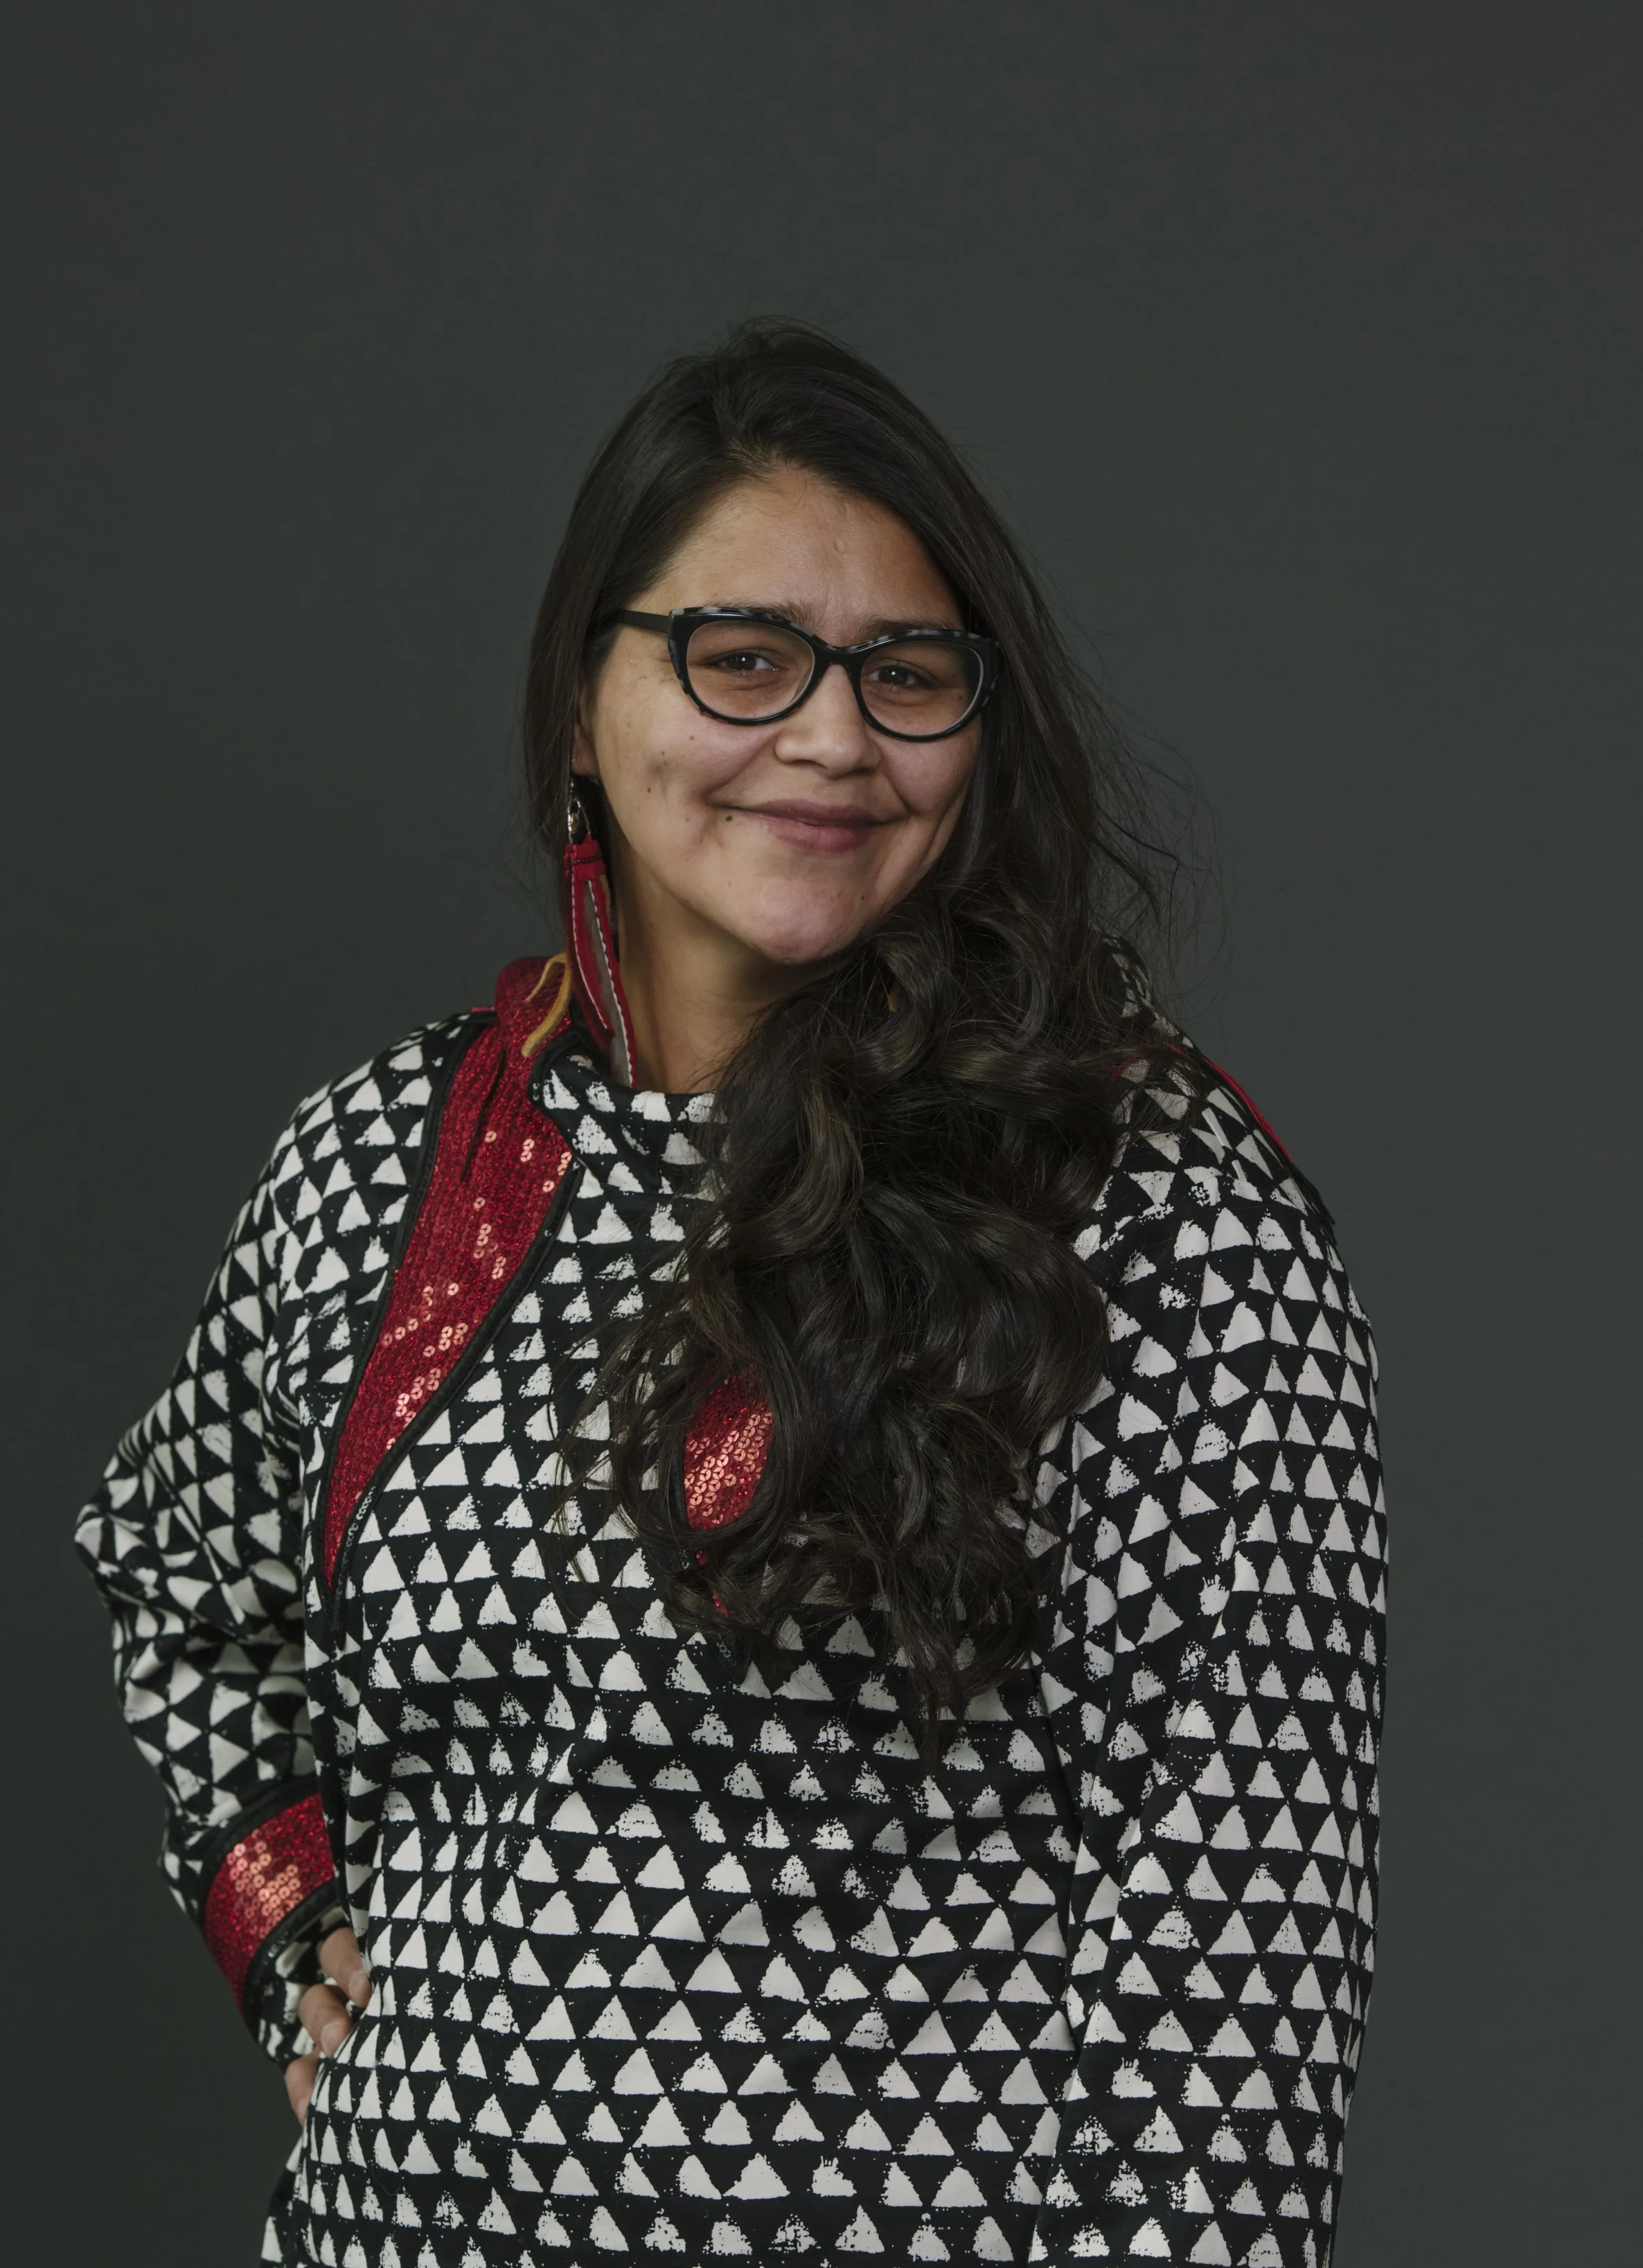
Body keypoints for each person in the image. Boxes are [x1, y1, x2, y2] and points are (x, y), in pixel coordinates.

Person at [78, 323, 1383, 2268]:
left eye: (909, 674)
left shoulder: (1147, 1203)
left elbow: (1238, 1972)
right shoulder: (377, 1167)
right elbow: (180, 1569)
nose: (836, 738)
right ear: (581, 697)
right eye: (743, 656)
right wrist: (299, 1943)